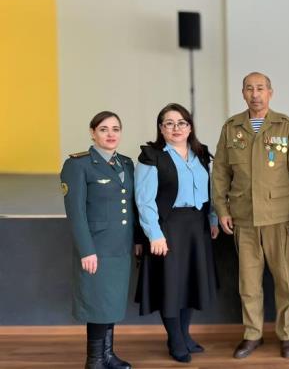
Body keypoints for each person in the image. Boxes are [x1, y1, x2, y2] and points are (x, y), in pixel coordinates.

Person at [212, 72, 289, 359]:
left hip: (280, 217)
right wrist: (222, 210)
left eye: (260, 88)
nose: (255, 94)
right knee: (248, 283)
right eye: (250, 89)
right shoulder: (231, 128)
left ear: (270, 92)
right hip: (244, 218)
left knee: (284, 281)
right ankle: (252, 334)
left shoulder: (285, 125)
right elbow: (220, 174)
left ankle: (287, 335)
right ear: (243, 94)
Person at [134, 103, 218, 363]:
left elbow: (211, 193)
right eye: (168, 123)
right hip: (168, 227)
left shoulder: (201, 154)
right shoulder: (152, 156)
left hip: (197, 226)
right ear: (161, 128)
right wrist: (154, 235)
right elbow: (144, 200)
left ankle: (184, 333)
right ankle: (175, 339)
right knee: (170, 285)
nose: (176, 128)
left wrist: (213, 219)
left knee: (190, 282)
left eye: (181, 122)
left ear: (190, 126)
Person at [60, 111, 136, 369]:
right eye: (104, 129)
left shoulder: (125, 163)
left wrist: (135, 240)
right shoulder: (77, 165)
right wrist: (86, 250)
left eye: (116, 128)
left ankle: (108, 355)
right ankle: (94, 361)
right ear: (92, 133)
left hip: (120, 248)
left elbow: (130, 207)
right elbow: (76, 213)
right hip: (97, 249)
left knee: (111, 303)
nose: (111, 134)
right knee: (97, 304)